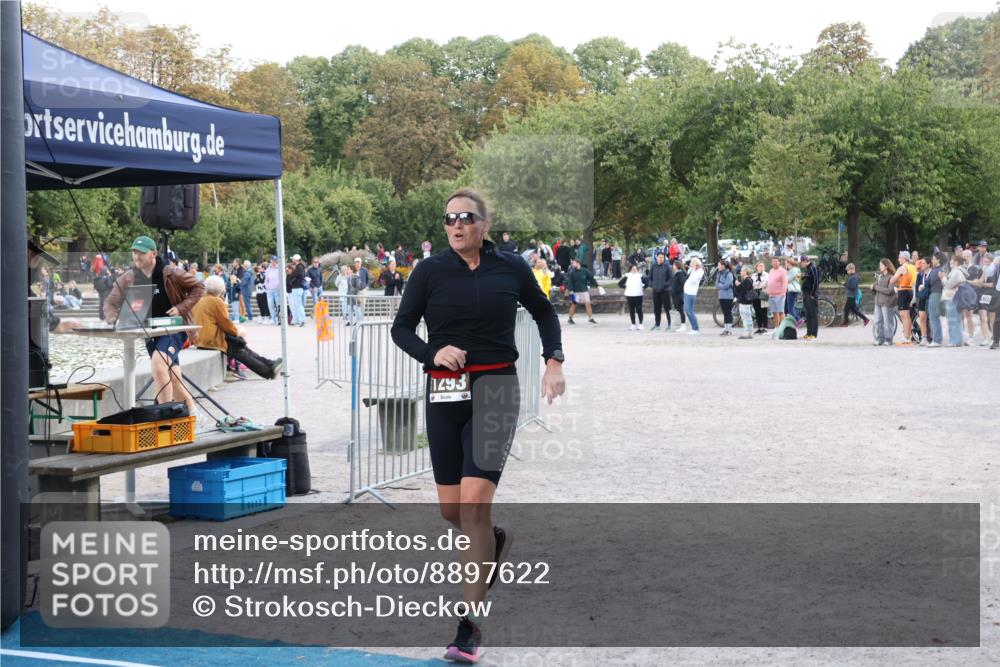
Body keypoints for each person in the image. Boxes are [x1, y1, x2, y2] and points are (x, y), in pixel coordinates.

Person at [391, 188, 564, 663]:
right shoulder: (428, 271)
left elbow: (545, 311)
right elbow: (401, 327)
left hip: (496, 389)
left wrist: (554, 361)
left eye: (465, 217)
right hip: (444, 393)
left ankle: (468, 626)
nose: (456, 225)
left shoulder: (510, 267)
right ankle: (494, 541)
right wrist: (432, 352)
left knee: (472, 504)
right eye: (449, 219)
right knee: (454, 513)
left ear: (484, 224)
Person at [104, 235, 204, 414]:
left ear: (153, 253)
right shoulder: (128, 277)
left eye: (141, 253)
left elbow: (199, 287)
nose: (137, 257)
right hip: (148, 332)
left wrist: (180, 308)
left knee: (158, 366)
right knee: (173, 377)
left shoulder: (171, 272)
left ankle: (163, 416)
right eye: (134, 253)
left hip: (173, 329)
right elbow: (110, 303)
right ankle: (192, 414)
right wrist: (114, 319)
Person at [193, 275, 283, 380]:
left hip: (203, 340)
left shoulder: (201, 301)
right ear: (221, 288)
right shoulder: (216, 301)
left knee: (241, 346)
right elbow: (226, 324)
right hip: (212, 341)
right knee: (239, 348)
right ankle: (268, 372)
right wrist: (236, 331)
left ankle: (270, 364)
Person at [891, 251, 917, 345]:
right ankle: (908, 335)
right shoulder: (912, 267)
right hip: (910, 291)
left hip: (903, 290)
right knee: (908, 316)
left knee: (903, 315)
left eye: (899, 257)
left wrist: (896, 281)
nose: (898, 259)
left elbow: (892, 280)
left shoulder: (902, 267)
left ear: (903, 258)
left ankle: (906, 337)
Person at [942, 254, 968, 347]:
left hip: (951, 298)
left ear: (956, 262)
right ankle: (958, 340)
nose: (950, 262)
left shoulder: (956, 271)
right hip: (955, 298)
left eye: (951, 260)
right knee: (957, 320)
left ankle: (954, 341)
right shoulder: (958, 271)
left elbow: (949, 285)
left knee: (952, 320)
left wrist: (943, 278)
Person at [872, 259, 897, 346]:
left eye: (881, 265)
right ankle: (879, 339)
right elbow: (875, 287)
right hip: (878, 302)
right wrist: (873, 288)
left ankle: (888, 339)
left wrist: (876, 287)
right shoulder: (880, 276)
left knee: (887, 322)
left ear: (886, 266)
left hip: (887, 303)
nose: (880, 267)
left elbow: (890, 291)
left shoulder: (891, 277)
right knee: (877, 321)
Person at [566, 258, 598, 325]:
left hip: (584, 291)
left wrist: (597, 285)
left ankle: (590, 318)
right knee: (573, 305)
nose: (572, 264)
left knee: (588, 304)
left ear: (578, 263)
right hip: (575, 292)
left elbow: (591, 278)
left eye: (573, 263)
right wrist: (570, 290)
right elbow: (570, 282)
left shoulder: (585, 271)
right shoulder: (572, 272)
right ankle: (570, 318)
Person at [648, 251, 673, 330]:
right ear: (656, 257)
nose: (661, 259)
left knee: (667, 308)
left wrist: (664, 285)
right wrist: (652, 285)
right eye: (660, 257)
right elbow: (650, 278)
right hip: (655, 291)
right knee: (656, 308)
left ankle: (670, 324)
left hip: (665, 291)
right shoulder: (653, 266)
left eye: (662, 257)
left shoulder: (667, 266)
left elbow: (671, 278)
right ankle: (657, 324)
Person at [619, 262, 648, 330]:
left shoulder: (640, 276)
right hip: (630, 295)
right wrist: (625, 286)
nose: (634, 270)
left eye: (635, 269)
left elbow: (646, 283)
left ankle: (640, 324)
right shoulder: (627, 276)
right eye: (633, 269)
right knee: (631, 310)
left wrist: (642, 287)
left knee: (639, 309)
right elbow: (620, 283)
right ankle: (633, 324)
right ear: (630, 270)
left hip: (638, 295)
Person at [926, 252, 946, 347]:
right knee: (933, 317)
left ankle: (937, 340)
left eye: (934, 259)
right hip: (933, 294)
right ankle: (937, 339)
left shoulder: (939, 270)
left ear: (938, 260)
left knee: (934, 317)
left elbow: (944, 282)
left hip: (936, 294)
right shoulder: (934, 270)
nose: (932, 260)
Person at [799, 255, 820, 341]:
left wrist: (813, 294)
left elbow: (816, 281)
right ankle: (808, 333)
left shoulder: (812, 267)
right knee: (808, 314)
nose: (801, 264)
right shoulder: (807, 269)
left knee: (813, 314)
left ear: (804, 261)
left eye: (801, 262)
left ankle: (813, 334)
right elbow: (808, 278)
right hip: (805, 293)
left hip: (811, 294)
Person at [683, 258, 704, 335]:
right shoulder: (692, 270)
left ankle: (695, 328)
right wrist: (691, 269)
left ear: (696, 263)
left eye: (692, 263)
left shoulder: (700, 271)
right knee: (687, 310)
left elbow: (694, 280)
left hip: (691, 293)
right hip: (686, 292)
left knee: (690, 311)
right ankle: (693, 328)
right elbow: (687, 277)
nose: (690, 264)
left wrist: (694, 269)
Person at [715, 260, 735, 336]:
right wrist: (721, 285)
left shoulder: (729, 274)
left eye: (719, 265)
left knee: (728, 313)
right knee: (724, 313)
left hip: (728, 296)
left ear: (723, 266)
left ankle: (729, 330)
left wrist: (721, 285)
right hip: (721, 296)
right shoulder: (719, 274)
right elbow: (716, 284)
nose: (718, 266)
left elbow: (727, 285)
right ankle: (725, 329)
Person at [766, 257, 787, 330]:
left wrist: (783, 293)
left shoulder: (782, 271)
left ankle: (783, 328)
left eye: (776, 261)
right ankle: (776, 328)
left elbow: (785, 283)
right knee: (774, 312)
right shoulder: (771, 270)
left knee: (780, 311)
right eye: (773, 261)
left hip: (779, 295)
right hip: (771, 295)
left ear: (779, 262)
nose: (774, 263)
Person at [734, 266, 756, 340]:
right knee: (744, 317)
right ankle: (747, 332)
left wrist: (738, 284)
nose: (740, 272)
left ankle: (748, 333)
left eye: (742, 271)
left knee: (746, 317)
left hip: (745, 301)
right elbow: (739, 290)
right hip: (743, 301)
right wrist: (738, 285)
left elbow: (743, 290)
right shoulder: (745, 280)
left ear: (745, 272)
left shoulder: (748, 280)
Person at [288, 254, 307, 326]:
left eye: (293, 259)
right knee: (297, 304)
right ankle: (298, 320)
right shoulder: (299, 267)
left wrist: (291, 277)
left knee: (298, 305)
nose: (292, 260)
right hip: (296, 288)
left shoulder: (299, 267)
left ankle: (302, 320)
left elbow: (293, 275)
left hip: (297, 288)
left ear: (296, 260)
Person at [750, 262, 769, 334]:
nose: (761, 267)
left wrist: (757, 284)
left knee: (764, 310)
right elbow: (752, 284)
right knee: (757, 311)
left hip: (763, 292)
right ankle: (759, 327)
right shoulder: (753, 275)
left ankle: (765, 327)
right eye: (759, 266)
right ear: (757, 267)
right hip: (755, 293)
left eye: (762, 266)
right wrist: (758, 284)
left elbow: (764, 284)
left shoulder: (767, 275)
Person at [670, 259, 687, 331]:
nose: (672, 266)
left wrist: (676, 291)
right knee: (679, 310)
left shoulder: (680, 274)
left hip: (678, 295)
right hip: (675, 295)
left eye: (673, 265)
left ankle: (683, 325)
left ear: (676, 266)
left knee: (680, 310)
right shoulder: (676, 273)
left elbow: (682, 284)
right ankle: (680, 325)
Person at [264, 257, 282, 325]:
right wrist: (266, 286)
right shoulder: (268, 269)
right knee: (270, 304)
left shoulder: (279, 269)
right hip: (270, 289)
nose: (273, 262)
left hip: (277, 289)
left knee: (278, 304)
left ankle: (279, 318)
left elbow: (282, 277)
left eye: (275, 261)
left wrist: (279, 285)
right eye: (272, 261)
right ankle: (273, 319)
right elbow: (266, 279)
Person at [785, 257, 802, 324]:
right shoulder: (796, 270)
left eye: (786, 264)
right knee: (791, 307)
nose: (786, 265)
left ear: (789, 263)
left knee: (790, 308)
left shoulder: (793, 270)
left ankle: (797, 320)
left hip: (792, 289)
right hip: (794, 289)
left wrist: (786, 273)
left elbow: (787, 280)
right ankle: (797, 320)